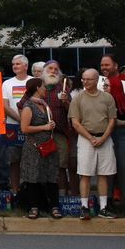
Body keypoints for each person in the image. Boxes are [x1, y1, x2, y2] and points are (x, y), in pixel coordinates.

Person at [69, 68, 118, 219]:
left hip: (104, 138)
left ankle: (103, 208)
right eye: (83, 79)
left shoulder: (107, 98)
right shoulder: (78, 98)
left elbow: (112, 120)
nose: (85, 81)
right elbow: (75, 123)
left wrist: (103, 138)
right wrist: (90, 138)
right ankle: (84, 207)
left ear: (96, 80)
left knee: (103, 173)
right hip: (85, 139)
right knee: (85, 173)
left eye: (89, 79)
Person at [18, 77, 60, 219]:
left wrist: (51, 125)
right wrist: (44, 127)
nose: (45, 89)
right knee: (33, 176)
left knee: (51, 175)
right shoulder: (28, 106)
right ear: (37, 88)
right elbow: (24, 128)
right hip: (34, 147)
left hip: (48, 145)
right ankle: (33, 207)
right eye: (43, 86)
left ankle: (54, 206)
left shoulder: (44, 104)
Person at [100, 53, 125, 209]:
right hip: (102, 131)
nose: (104, 68)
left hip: (122, 130)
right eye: (102, 65)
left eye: (107, 65)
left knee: (124, 165)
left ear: (115, 66)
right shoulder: (98, 83)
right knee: (105, 166)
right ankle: (106, 201)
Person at [43, 60, 75, 197]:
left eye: (56, 69)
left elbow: (72, 111)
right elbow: (23, 105)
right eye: (50, 68)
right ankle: (45, 195)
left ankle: (61, 196)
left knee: (61, 165)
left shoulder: (64, 88)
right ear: (44, 70)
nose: (53, 71)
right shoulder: (38, 87)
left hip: (60, 133)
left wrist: (66, 102)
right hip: (41, 133)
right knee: (43, 165)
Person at [0, 54, 31, 196]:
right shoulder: (6, 84)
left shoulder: (34, 81)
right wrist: (20, 119)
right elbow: (5, 106)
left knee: (31, 161)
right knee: (14, 162)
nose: (14, 66)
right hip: (12, 127)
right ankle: (15, 192)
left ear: (26, 66)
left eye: (18, 64)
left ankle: (29, 192)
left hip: (32, 128)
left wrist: (26, 121)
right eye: (13, 64)